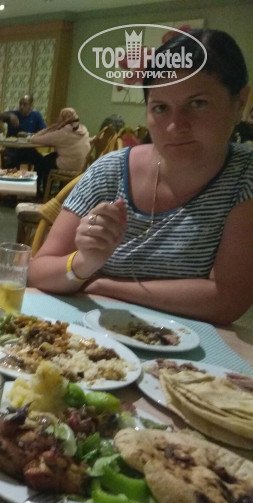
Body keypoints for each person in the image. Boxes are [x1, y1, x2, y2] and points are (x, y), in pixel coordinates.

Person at [28, 28, 253, 325]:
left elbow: (226, 300)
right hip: (88, 339)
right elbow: (39, 271)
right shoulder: (110, 171)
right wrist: (84, 262)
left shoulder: (244, 177)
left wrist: (103, 285)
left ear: (240, 102)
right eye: (160, 108)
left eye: (197, 103)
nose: (175, 126)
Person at [30, 107, 91, 197]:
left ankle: (42, 193)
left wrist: (51, 128)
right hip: (84, 166)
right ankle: (54, 192)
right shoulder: (83, 129)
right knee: (50, 157)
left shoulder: (63, 132)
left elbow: (34, 139)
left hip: (69, 165)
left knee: (41, 162)